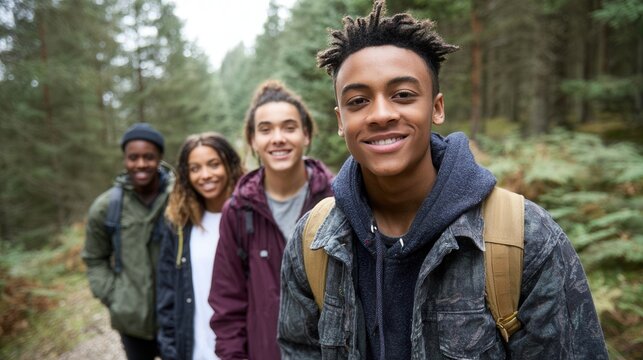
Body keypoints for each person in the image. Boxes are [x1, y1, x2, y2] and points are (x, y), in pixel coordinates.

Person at [277, 2, 608, 359]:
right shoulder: (314, 243)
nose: (382, 114)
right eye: (359, 101)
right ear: (341, 121)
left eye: (403, 95)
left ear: (436, 108)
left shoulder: (524, 238)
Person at [208, 80, 334, 360]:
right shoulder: (239, 211)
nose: (278, 138)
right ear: (253, 140)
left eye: (289, 127)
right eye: (265, 129)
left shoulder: (337, 200)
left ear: (306, 135)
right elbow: (227, 304)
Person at [83, 122, 173, 360]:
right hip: (131, 322)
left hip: (176, 317)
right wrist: (114, 296)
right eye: (133, 157)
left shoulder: (179, 199)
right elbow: (94, 258)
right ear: (125, 159)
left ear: (160, 158)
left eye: (148, 157)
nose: (141, 164)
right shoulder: (106, 208)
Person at [156, 132, 245, 360]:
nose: (205, 175)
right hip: (195, 350)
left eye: (213, 165)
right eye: (195, 168)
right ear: (186, 175)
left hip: (241, 348)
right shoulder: (179, 225)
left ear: (230, 165)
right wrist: (169, 349)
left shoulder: (248, 216)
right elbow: (167, 292)